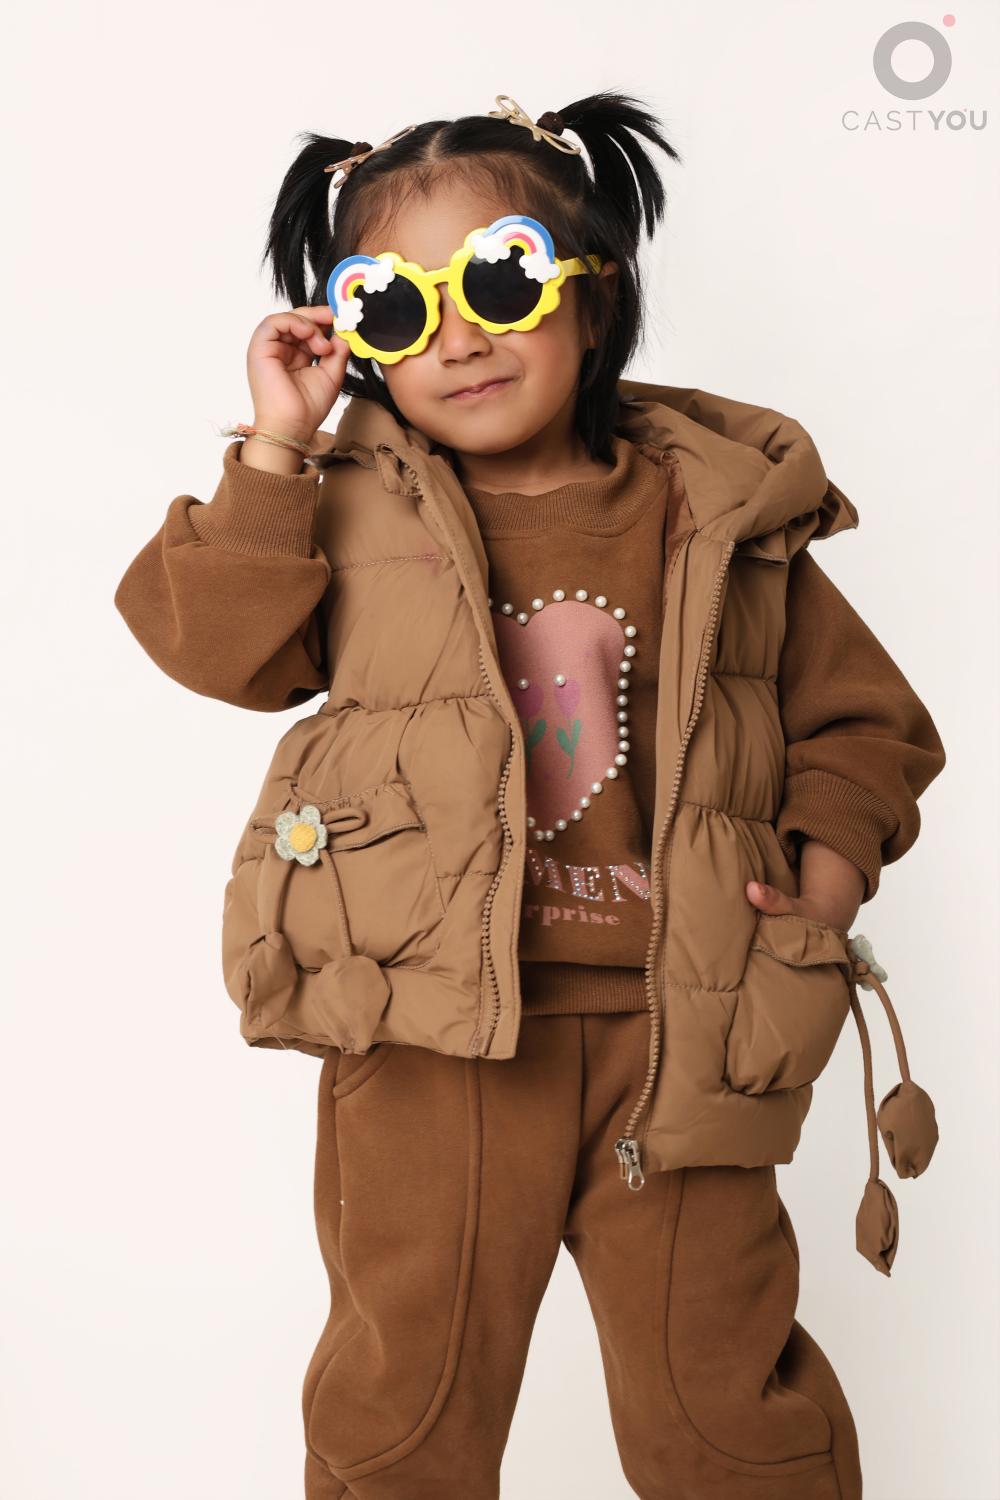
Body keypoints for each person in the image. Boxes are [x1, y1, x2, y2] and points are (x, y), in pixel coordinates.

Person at [114, 90, 947, 1500]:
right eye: (395, 307)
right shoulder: (342, 505)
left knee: (727, 1414)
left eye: (497, 281)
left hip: (682, 1033)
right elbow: (216, 649)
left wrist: (823, 882)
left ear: (592, 289)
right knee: (404, 1409)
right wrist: (275, 447)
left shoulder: (723, 515)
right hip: (427, 1036)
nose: (456, 336)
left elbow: (865, 723)